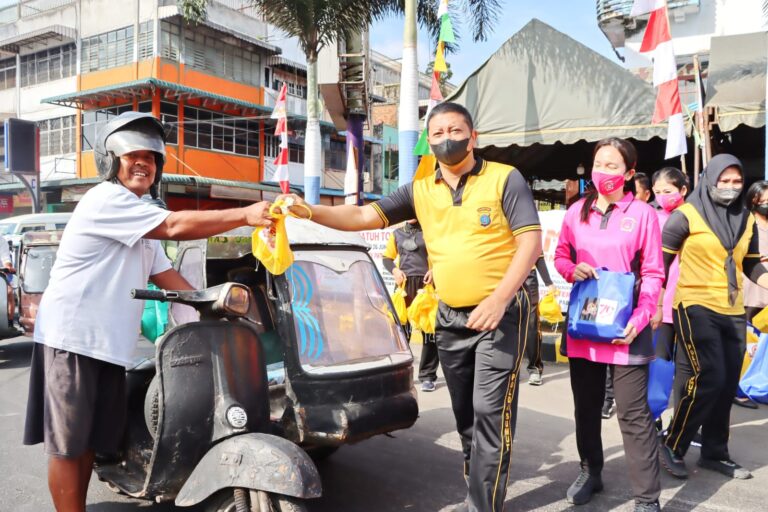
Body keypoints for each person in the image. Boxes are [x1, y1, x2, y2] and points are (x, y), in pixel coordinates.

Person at [276, 102, 542, 512]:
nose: (446, 139)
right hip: (451, 314)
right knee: (465, 415)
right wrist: (309, 209)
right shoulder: (420, 190)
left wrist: (500, 297)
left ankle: (483, 505)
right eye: (436, 134)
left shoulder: (506, 179)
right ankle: (479, 475)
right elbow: (364, 215)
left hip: (502, 313)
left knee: (491, 412)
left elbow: (530, 242)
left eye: (455, 131)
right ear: (428, 142)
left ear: (473, 137)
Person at [22, 111, 274, 512]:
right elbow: (174, 227)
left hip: (106, 345)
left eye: (152, 157)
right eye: (132, 155)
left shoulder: (139, 212)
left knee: (89, 441)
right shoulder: (109, 200)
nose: (143, 163)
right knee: (69, 445)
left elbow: (168, 276)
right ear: (110, 161)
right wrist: (246, 214)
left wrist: (220, 310)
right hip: (72, 339)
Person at [554, 138, 664, 512]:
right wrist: (571, 269)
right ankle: (591, 471)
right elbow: (560, 255)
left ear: (630, 173)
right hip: (585, 325)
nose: (604, 171)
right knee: (586, 407)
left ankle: (647, 499)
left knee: (633, 415)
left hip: (626, 330)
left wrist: (641, 316)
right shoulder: (575, 212)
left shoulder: (643, 214)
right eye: (599, 163)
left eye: (613, 166)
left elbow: (652, 272)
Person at [659, 155, 768, 482]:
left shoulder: (745, 219)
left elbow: (750, 264)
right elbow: (659, 266)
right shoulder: (685, 216)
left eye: (737, 182)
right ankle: (673, 443)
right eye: (725, 181)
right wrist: (651, 307)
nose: (731, 188)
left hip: (732, 307)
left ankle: (715, 451)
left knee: (726, 383)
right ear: (710, 180)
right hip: (693, 304)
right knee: (710, 375)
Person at [382, 219, 440, 392]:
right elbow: (387, 258)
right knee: (401, 333)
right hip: (404, 288)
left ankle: (428, 376)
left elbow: (444, 255)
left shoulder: (432, 231)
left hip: (427, 286)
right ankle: (399, 374)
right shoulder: (396, 234)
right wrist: (394, 270)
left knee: (429, 333)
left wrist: (434, 270)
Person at [649, 167, 689, 366]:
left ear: (682, 190)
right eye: (657, 192)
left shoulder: (695, 218)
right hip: (662, 301)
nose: (662, 197)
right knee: (660, 360)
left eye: (667, 191)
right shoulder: (652, 218)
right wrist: (656, 303)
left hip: (689, 300)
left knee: (686, 362)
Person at [735, 181, 768, 409]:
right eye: (765, 201)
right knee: (747, 342)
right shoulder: (747, 225)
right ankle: (738, 388)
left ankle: (760, 384)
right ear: (754, 201)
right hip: (750, 291)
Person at [524, 255, 556, 385]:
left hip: (527, 277)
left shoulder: (531, 233)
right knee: (505, 326)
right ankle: (508, 369)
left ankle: (534, 369)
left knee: (531, 327)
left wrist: (548, 282)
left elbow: (537, 253)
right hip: (502, 274)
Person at [0, 233, 15, 326]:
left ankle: (10, 323)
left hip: (1, 274)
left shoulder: (1, 241)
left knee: (9, 292)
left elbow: (6, 258)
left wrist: (8, 266)